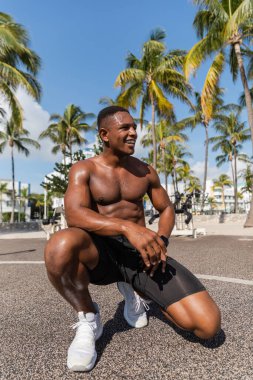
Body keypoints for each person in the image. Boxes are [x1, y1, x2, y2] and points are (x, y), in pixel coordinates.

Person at [44, 106, 221, 372]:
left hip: (141, 256)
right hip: (102, 253)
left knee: (208, 326)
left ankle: (135, 289)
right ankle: (88, 318)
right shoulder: (84, 169)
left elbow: (166, 209)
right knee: (61, 244)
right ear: (105, 134)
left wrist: (161, 239)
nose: (133, 132)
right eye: (125, 128)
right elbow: (75, 215)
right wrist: (127, 228)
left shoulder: (145, 171)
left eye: (134, 127)